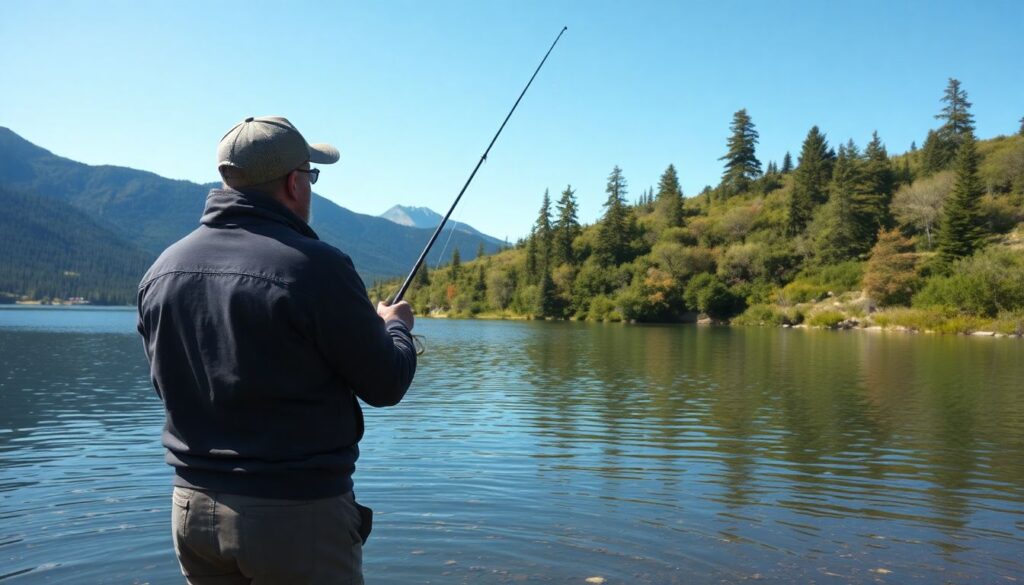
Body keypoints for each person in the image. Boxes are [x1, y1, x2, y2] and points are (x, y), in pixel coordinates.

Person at [137, 116, 417, 584]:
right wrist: (395, 326)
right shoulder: (315, 267)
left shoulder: (161, 271)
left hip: (191, 510)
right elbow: (386, 383)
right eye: (311, 174)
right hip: (295, 516)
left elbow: (165, 383)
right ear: (293, 182)